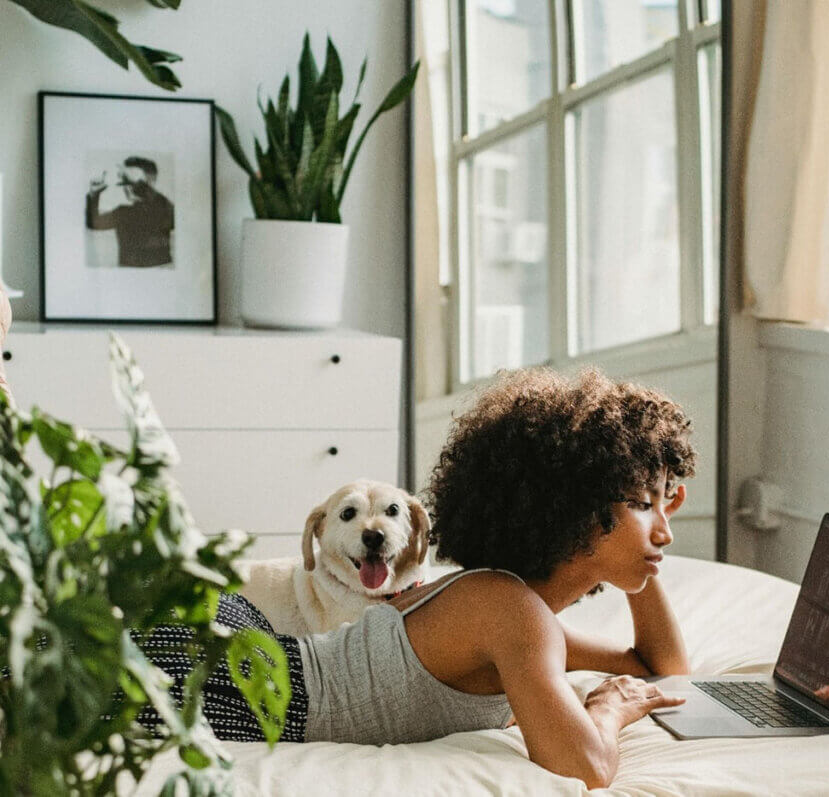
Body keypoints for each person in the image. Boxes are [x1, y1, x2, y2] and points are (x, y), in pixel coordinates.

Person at [138, 366, 697, 789]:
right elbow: (588, 768)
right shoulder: (510, 613)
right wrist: (608, 707)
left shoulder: (513, 612)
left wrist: (645, 554)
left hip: (248, 652)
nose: (664, 530)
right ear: (575, 509)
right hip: (236, 678)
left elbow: (662, 670)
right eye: (643, 504)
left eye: (662, 507)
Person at [85, 156, 175, 268]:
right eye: (125, 183)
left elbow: (168, 216)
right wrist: (94, 194)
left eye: (130, 183)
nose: (127, 188)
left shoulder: (163, 208)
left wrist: (140, 185)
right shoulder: (123, 212)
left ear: (150, 182)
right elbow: (93, 223)